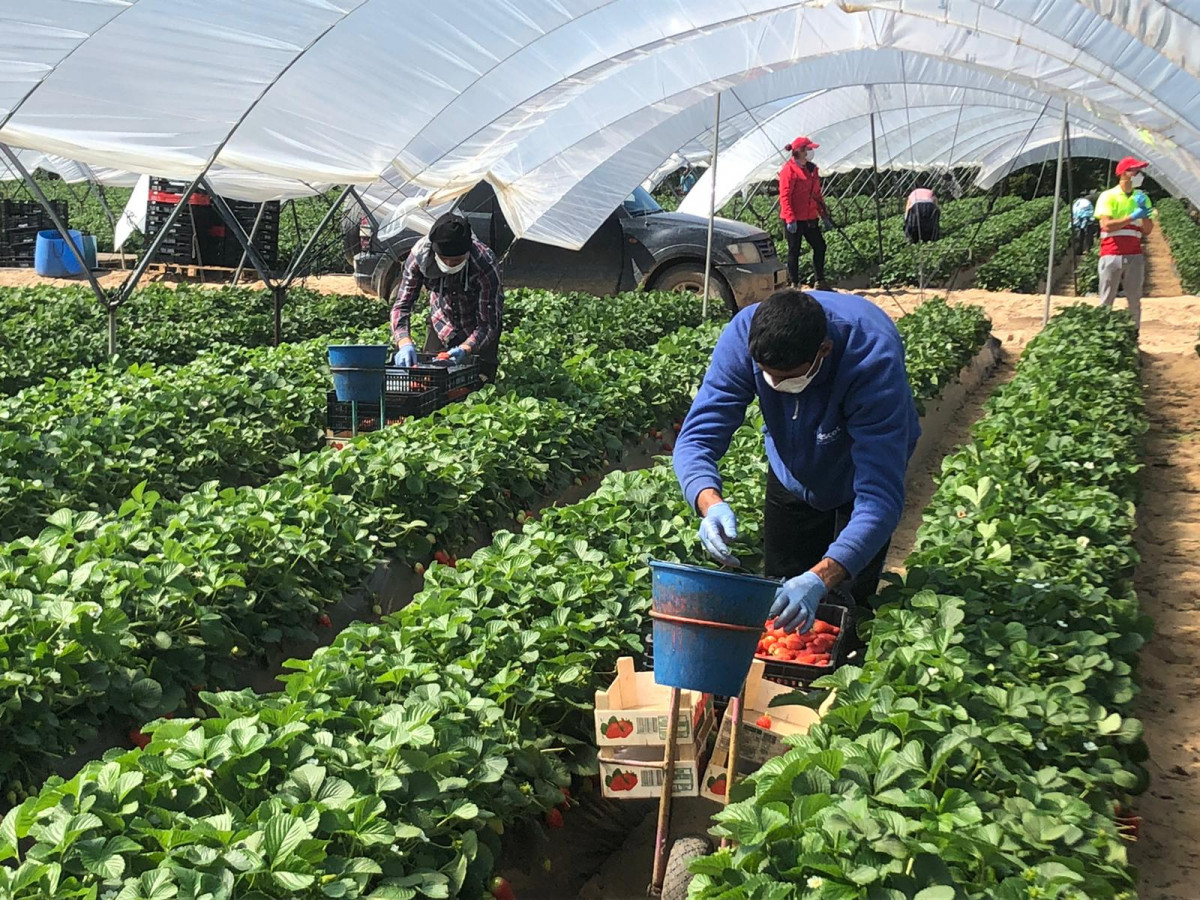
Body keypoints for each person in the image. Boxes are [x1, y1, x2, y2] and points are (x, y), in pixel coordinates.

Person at [673, 289, 919, 636]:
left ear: (824, 350)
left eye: (790, 377)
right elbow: (697, 437)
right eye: (768, 375)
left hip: (856, 469)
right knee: (781, 592)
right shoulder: (744, 337)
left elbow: (879, 498)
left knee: (848, 600)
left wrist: (822, 578)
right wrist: (708, 501)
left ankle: (843, 666)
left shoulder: (871, 357)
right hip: (792, 467)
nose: (776, 384)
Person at [391, 211, 505, 382]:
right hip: (441, 321)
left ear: (467, 253)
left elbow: (488, 323)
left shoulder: (484, 262)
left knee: (479, 380)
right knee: (430, 380)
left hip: (477, 327)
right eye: (445, 259)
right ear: (435, 252)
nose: (450, 265)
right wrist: (404, 342)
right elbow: (402, 305)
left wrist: (466, 348)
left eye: (457, 260)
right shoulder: (419, 257)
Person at [1094, 157, 1156, 330]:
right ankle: (1102, 334)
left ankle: (1133, 335)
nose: (1139, 174)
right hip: (1111, 254)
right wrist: (1132, 216)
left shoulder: (1141, 197)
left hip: (1135, 255)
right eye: (1135, 171)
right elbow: (1106, 225)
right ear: (1123, 173)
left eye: (1139, 171)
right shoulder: (1108, 196)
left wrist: (1143, 214)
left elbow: (1148, 229)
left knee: (1134, 300)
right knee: (1107, 298)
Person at [779, 136, 833, 291]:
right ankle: (795, 284)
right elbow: (785, 196)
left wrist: (823, 214)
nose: (811, 152)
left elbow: (817, 194)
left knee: (820, 246)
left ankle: (820, 281)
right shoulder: (788, 171)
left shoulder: (812, 169)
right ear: (800, 151)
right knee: (794, 250)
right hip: (795, 218)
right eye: (809, 149)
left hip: (810, 217)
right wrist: (790, 218)